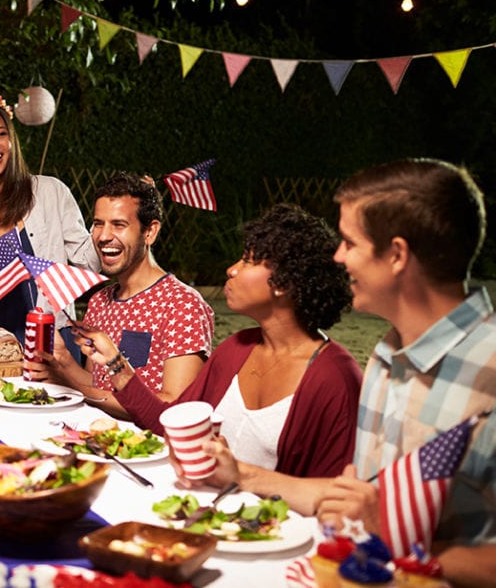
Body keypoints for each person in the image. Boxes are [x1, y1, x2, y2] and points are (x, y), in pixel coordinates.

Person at [183, 159, 495, 586]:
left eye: (350, 242)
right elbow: (353, 501)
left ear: (397, 255)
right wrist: (242, 474)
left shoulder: (489, 371)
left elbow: (382, 524)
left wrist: (397, 540)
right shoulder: (389, 354)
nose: (337, 256)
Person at [93, 203, 360, 477]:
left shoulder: (335, 378)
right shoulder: (237, 349)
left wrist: (243, 481)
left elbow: (333, 494)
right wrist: (115, 362)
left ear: (284, 281)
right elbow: (169, 423)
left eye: (248, 260)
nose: (232, 270)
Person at [29, 172, 214, 410]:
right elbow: (98, 384)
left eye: (119, 225)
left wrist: (78, 391)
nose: (104, 236)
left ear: (150, 232)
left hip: (149, 444)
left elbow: (175, 404)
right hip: (98, 436)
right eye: (98, 224)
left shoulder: (182, 305)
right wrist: (63, 360)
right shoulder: (100, 301)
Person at [0, 95, 98, 338]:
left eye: (1, 134)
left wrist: (107, 225)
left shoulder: (49, 192)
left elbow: (89, 263)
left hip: (52, 340)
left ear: (11, 140)